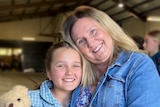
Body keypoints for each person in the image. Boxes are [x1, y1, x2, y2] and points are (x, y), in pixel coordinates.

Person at [62, 5, 160, 107]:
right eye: (81, 41)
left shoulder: (139, 65)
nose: (90, 43)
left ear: (107, 27)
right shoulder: (78, 77)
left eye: (93, 31)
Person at [28, 41, 94, 107]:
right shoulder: (27, 100)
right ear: (49, 72)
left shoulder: (91, 101)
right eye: (61, 65)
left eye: (76, 65)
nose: (69, 72)